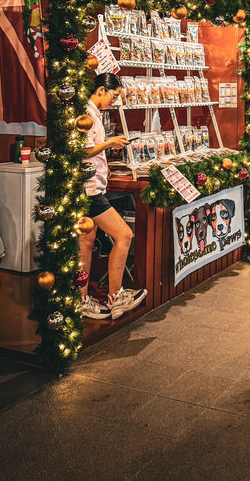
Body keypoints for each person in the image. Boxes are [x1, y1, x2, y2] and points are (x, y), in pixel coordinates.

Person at [80, 73, 148, 320]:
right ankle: (116, 296)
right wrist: (109, 144)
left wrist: (107, 157)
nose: (115, 101)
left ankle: (82, 299)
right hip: (89, 189)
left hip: (92, 186)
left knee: (86, 243)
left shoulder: (94, 114)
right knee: (124, 234)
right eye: (114, 96)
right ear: (101, 90)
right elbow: (83, 150)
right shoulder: (86, 115)